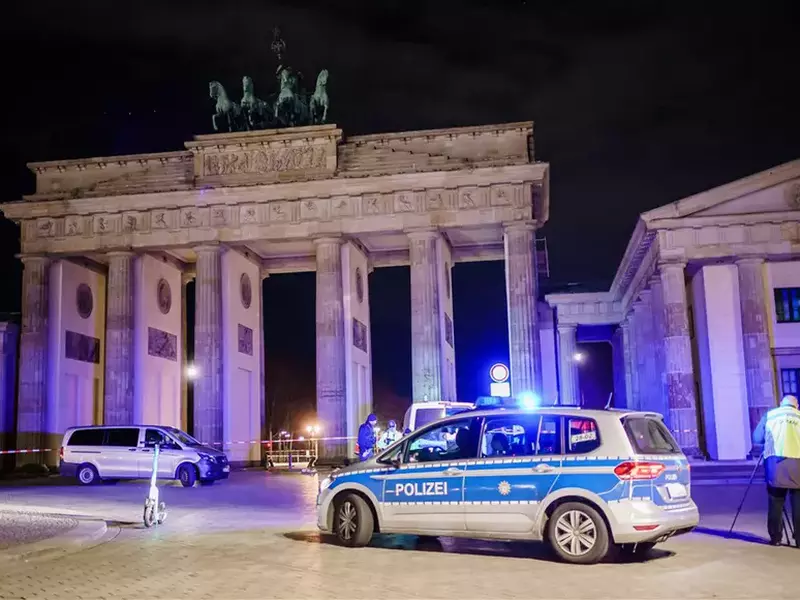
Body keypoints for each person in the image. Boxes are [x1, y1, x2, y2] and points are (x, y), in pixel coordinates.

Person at [752, 394, 800, 546]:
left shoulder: (770, 415)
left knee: (775, 501)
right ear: (796, 405)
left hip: (775, 463)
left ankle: (776, 537)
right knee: (798, 502)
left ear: (781, 404)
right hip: (798, 463)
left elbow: (757, 438)